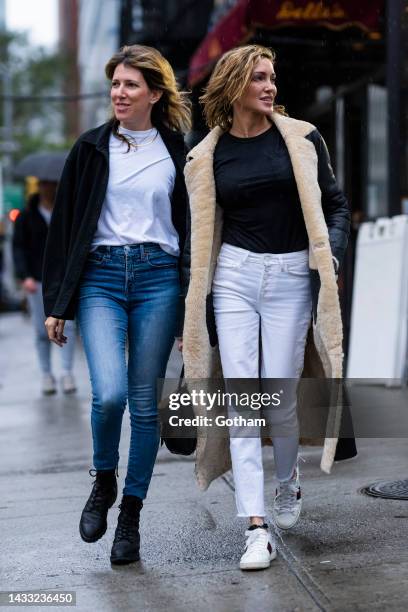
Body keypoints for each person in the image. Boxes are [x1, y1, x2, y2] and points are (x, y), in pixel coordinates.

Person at [181, 45, 353, 571]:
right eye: (259, 78)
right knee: (241, 398)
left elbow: (335, 204)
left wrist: (332, 257)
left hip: (290, 279)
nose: (270, 86)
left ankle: (287, 481)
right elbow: (201, 232)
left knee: (278, 396)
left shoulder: (302, 138)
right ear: (235, 85)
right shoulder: (208, 153)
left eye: (272, 77)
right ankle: (255, 528)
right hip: (233, 277)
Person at [42, 45, 191, 565]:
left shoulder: (178, 151)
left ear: (154, 92)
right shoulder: (90, 148)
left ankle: (131, 514)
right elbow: (64, 230)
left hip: (159, 279)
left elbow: (192, 228)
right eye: (115, 84)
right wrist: (56, 302)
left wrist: (193, 305)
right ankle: (103, 478)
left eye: (130, 85)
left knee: (147, 406)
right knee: (108, 396)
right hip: (101, 278)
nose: (119, 93)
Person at [12, 181, 77, 395]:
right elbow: (18, 247)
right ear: (38, 187)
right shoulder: (26, 216)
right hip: (37, 280)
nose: (48, 188)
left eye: (52, 184)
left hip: (64, 279)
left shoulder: (66, 210)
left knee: (66, 327)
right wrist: (25, 276)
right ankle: (46, 374)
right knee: (42, 331)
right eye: (44, 184)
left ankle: (67, 372)